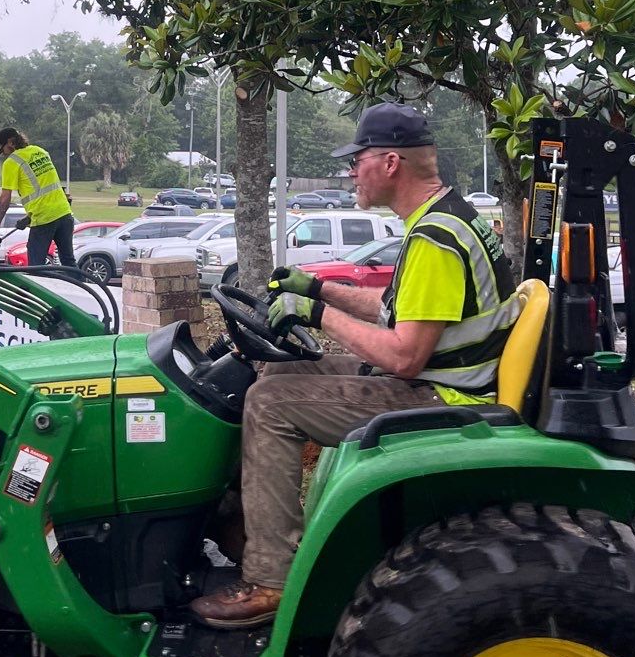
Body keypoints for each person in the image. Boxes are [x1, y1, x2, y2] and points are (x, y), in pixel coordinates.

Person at [191, 102, 518, 630]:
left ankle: (270, 578)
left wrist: (316, 313)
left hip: (445, 397)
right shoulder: (447, 218)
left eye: (356, 160)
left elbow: (403, 357)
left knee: (269, 403)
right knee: (272, 375)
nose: (350, 172)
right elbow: (396, 310)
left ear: (390, 163)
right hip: (452, 380)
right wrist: (317, 288)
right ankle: (247, 529)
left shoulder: (435, 240)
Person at [0, 127, 77, 268]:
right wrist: (28, 218)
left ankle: (38, 289)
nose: (4, 153)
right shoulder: (40, 151)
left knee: (36, 267)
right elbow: (43, 190)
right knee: (69, 262)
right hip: (64, 213)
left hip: (43, 219)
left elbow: (5, 198)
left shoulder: (12, 162)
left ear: (10, 143)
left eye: (3, 148)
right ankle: (81, 289)